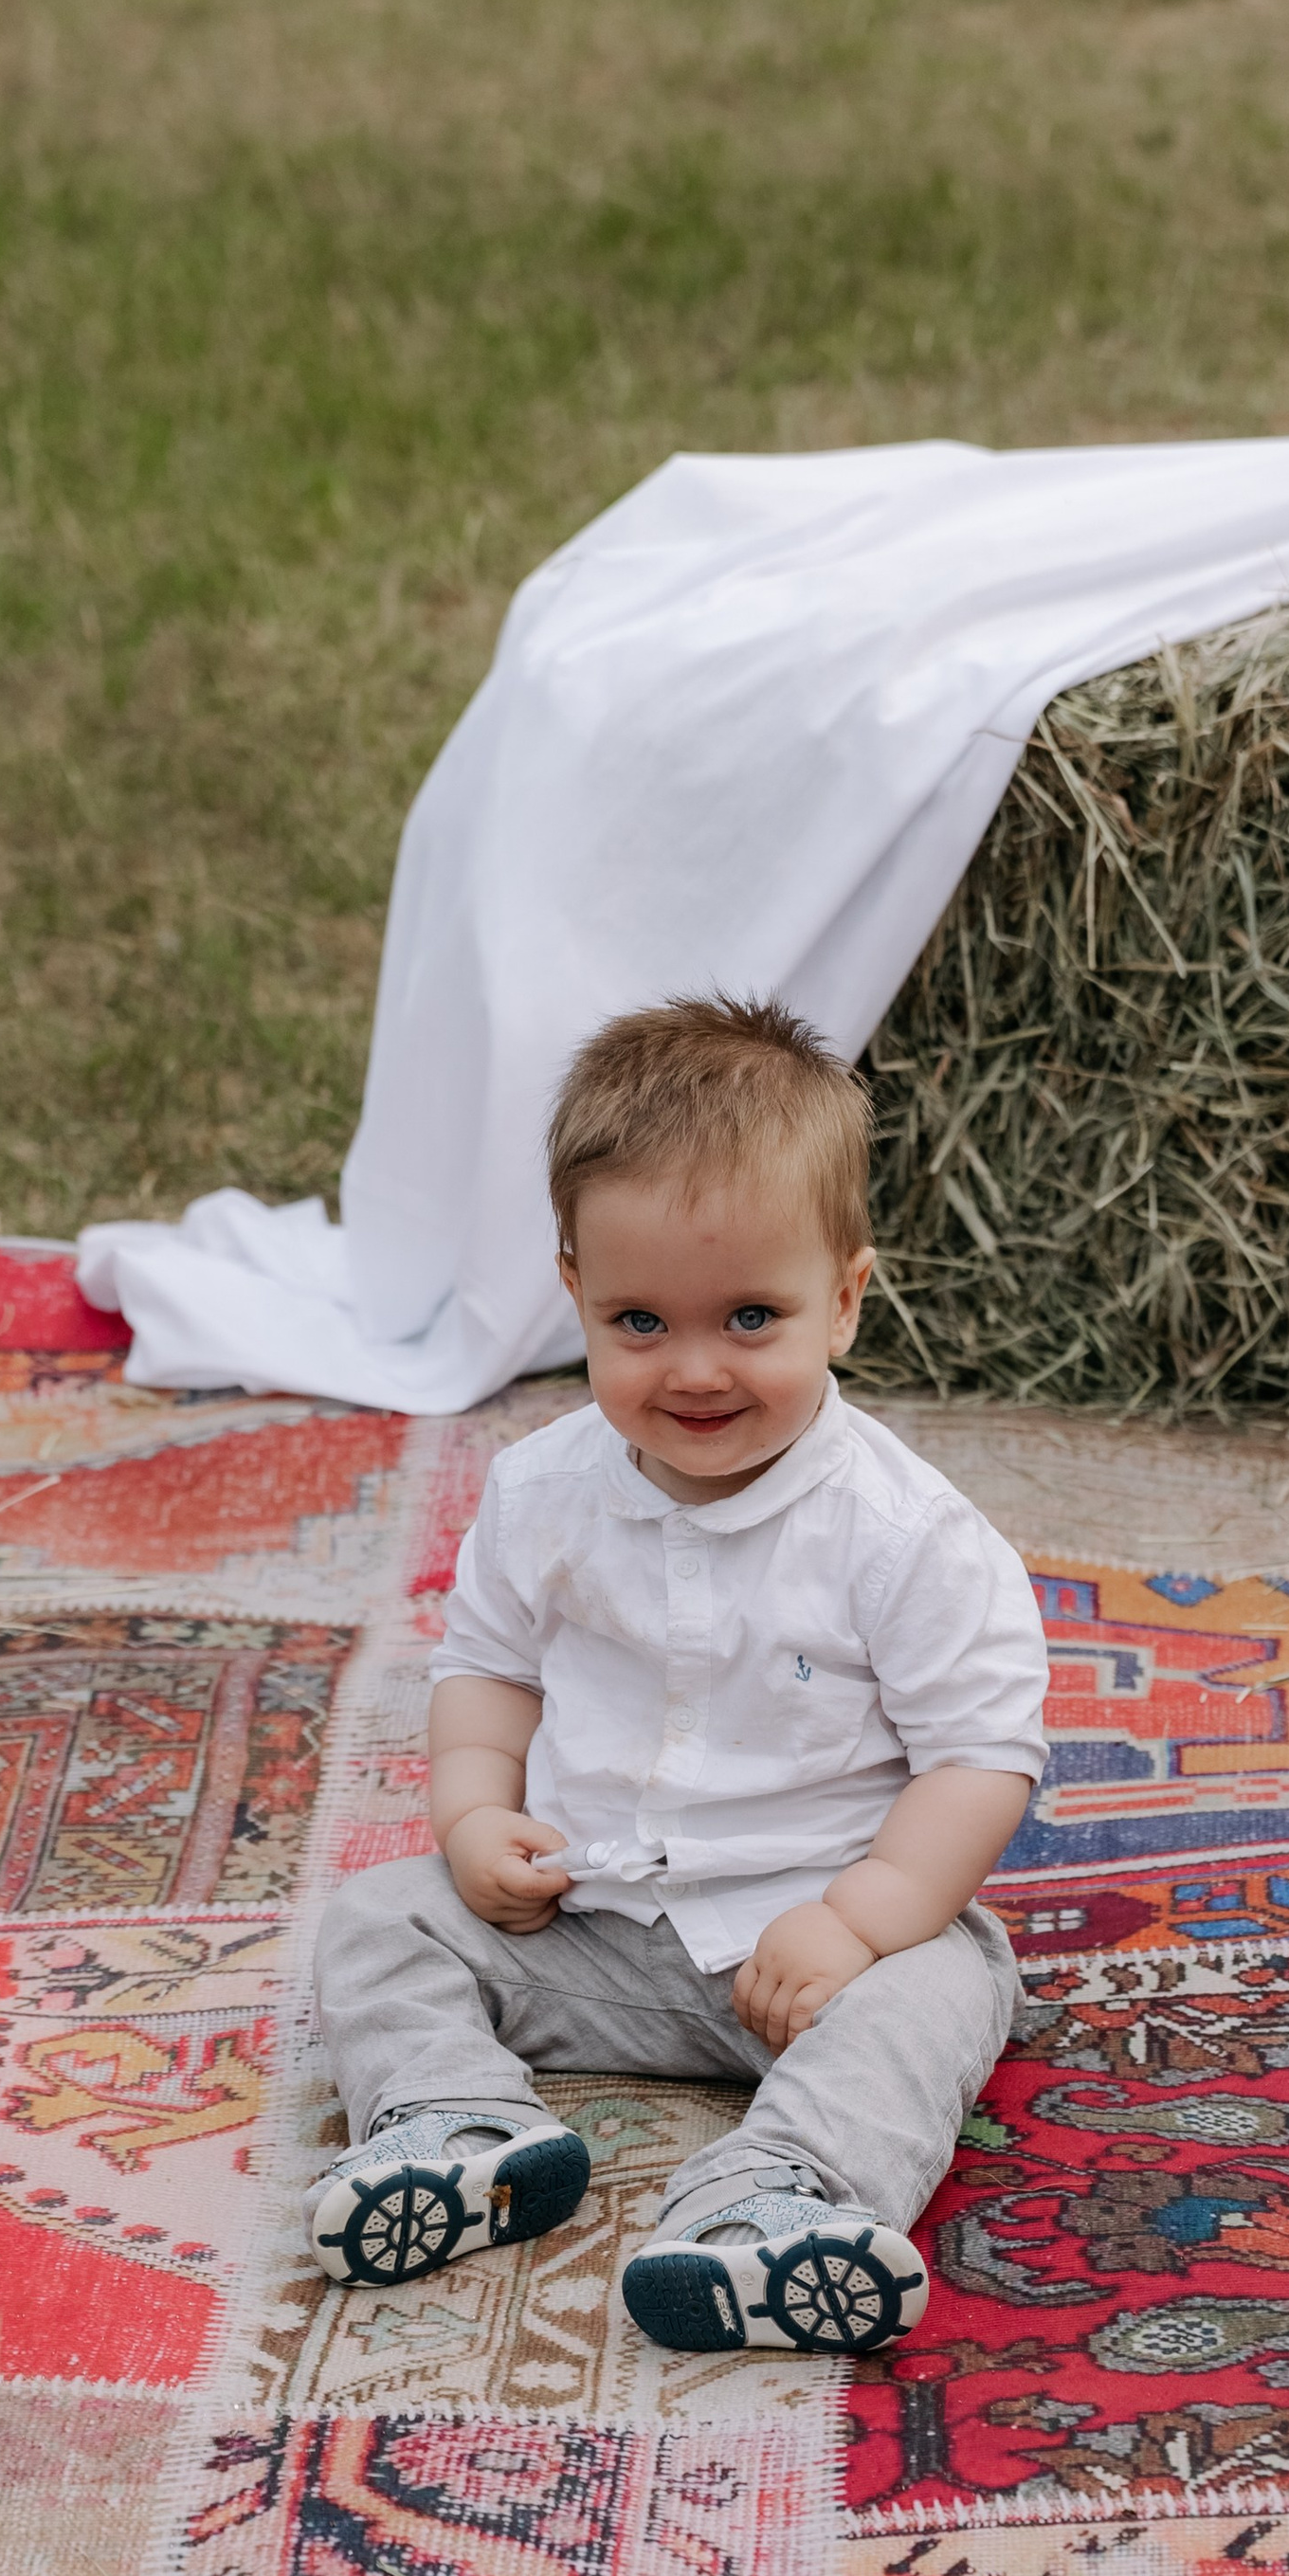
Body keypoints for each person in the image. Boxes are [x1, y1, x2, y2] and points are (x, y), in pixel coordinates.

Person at [305, 996, 1049, 2356]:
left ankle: (777, 2201)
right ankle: (461, 2129)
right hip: (589, 1923)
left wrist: (861, 1919)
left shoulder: (902, 1534)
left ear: (845, 1299)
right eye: (640, 1320)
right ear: (575, 1292)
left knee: (947, 1990)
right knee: (375, 1919)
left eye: (752, 1317)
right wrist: (473, 1820)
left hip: (816, 1949)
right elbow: (487, 1672)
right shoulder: (541, 1493)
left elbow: (980, 1757)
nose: (696, 1370)